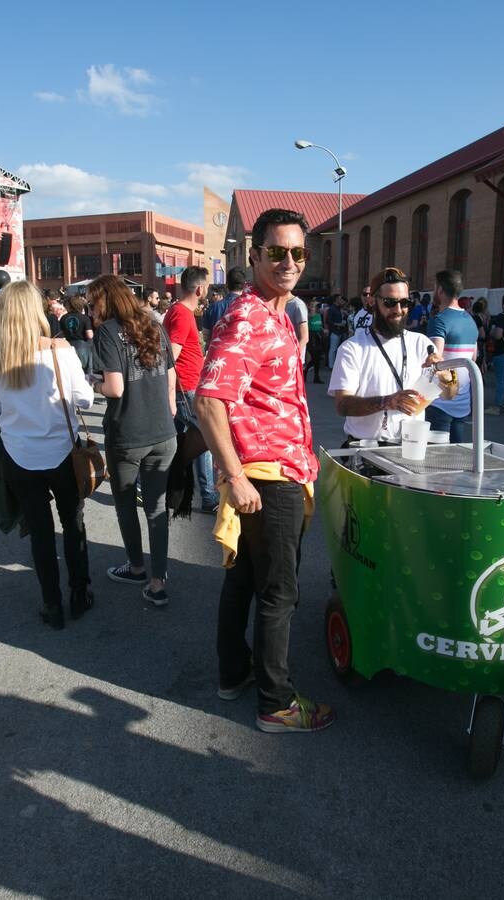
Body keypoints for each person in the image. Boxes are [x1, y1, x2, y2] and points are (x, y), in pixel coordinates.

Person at [195, 207, 334, 734]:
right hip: (266, 476)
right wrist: (234, 476)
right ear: (254, 255)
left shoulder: (277, 312)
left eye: (298, 252)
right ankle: (277, 704)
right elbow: (208, 402)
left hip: (275, 470)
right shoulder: (249, 316)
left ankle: (234, 674)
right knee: (280, 593)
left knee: (246, 581)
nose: (290, 262)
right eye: (277, 252)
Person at [0, 280, 93, 629]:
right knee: (72, 522)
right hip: (62, 451)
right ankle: (79, 592)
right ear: (37, 311)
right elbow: (85, 400)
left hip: (18, 454)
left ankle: (51, 603)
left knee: (41, 533)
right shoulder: (61, 351)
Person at [91, 274, 177, 607]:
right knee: (156, 508)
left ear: (105, 300)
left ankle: (137, 567)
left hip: (128, 433)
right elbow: (172, 376)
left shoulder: (108, 332)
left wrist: (91, 384)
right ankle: (159, 582)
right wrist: (167, 414)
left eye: (93, 300)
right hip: (163, 431)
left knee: (126, 504)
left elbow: (114, 388)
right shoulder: (154, 324)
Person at [329, 267, 452, 446]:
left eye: (404, 302)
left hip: (411, 448)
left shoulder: (422, 344)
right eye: (389, 302)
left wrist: (447, 378)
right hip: (366, 451)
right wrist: (387, 402)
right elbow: (342, 405)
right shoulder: (352, 348)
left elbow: (449, 395)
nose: (398, 309)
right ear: (372, 301)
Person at [164, 265, 219, 513]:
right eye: (206, 286)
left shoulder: (180, 311)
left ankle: (164, 487)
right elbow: (170, 358)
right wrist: (171, 398)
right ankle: (207, 497)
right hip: (186, 389)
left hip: (186, 388)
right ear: (199, 289)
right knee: (205, 439)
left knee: (180, 443)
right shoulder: (181, 314)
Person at [425, 269, 479, 442]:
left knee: (437, 460)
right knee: (456, 455)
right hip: (462, 401)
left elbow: (436, 360)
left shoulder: (439, 320)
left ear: (440, 289)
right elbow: (473, 359)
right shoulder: (470, 321)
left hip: (440, 402)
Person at [201, 267, 246, 343]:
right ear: (244, 285)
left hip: (216, 350)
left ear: (227, 285)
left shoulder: (212, 307)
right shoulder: (250, 307)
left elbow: (206, 336)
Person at [58, 294, 94, 376]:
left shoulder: (63, 318)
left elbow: (61, 333)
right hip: (82, 347)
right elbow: (90, 335)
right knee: (85, 373)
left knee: (71, 373)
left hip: (68, 346)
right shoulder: (85, 318)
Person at [304, 300, 327, 383]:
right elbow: (310, 316)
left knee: (318, 358)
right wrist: (313, 308)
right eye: (314, 306)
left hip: (318, 336)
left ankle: (316, 376)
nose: (316, 307)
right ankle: (305, 370)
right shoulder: (308, 315)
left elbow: (319, 325)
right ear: (310, 307)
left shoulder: (319, 315)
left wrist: (323, 330)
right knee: (314, 357)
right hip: (311, 336)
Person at [326, 295, 348, 362]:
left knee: (337, 349)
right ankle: (331, 365)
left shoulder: (339, 308)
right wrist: (338, 324)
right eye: (340, 299)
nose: (341, 300)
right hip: (334, 332)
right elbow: (328, 321)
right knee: (333, 349)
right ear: (336, 300)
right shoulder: (332, 308)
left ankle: (334, 364)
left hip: (340, 331)